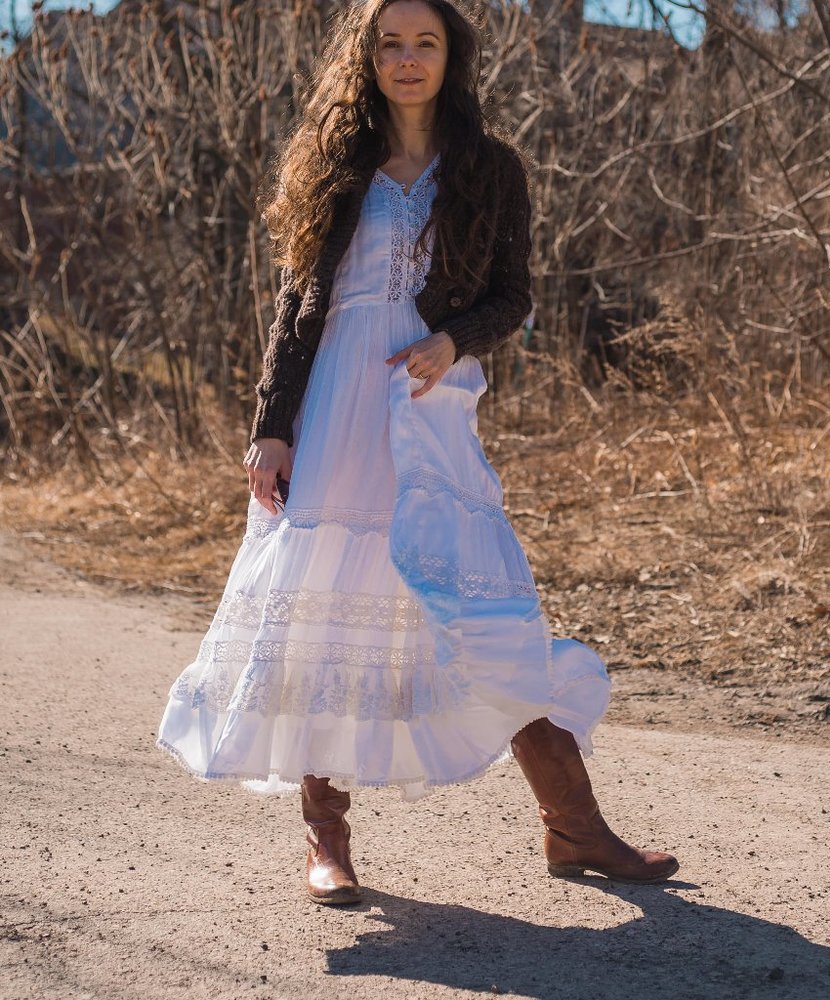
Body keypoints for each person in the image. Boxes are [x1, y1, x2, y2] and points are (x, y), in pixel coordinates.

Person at [156, 0, 679, 905]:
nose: (407, 59)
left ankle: (575, 827)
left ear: (450, 56)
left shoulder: (490, 168)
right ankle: (327, 843)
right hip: (334, 409)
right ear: (367, 57)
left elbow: (513, 296)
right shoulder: (330, 166)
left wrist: (454, 340)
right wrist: (270, 427)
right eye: (389, 43)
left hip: (429, 404)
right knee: (323, 612)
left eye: (424, 43)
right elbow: (296, 312)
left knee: (487, 610)